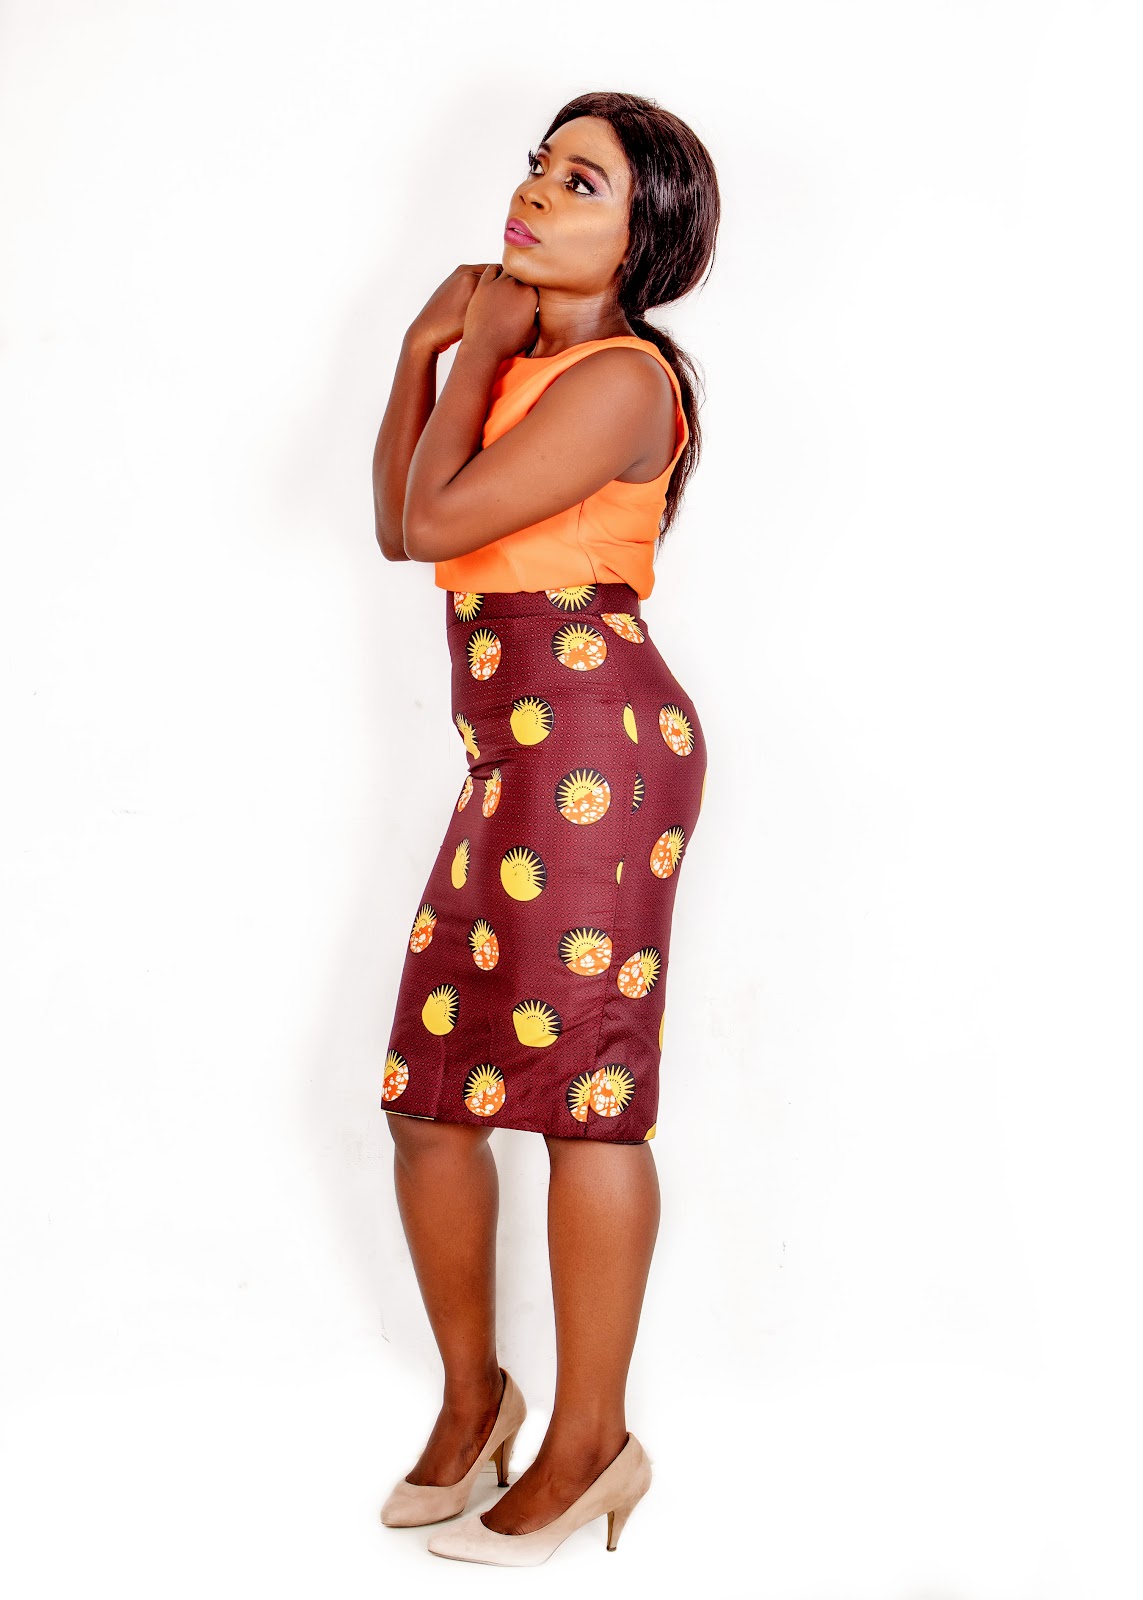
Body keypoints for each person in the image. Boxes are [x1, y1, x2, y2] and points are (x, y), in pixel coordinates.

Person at [370, 89, 720, 1567]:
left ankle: (592, 1443)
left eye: (582, 183)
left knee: (586, 1097)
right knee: (430, 1096)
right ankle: (478, 1405)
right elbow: (395, 522)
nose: (534, 192)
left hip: (597, 751)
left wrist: (475, 347)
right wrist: (422, 350)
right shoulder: (512, 365)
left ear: (641, 238)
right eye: (538, 166)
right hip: (506, 755)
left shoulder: (624, 380)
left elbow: (439, 525)